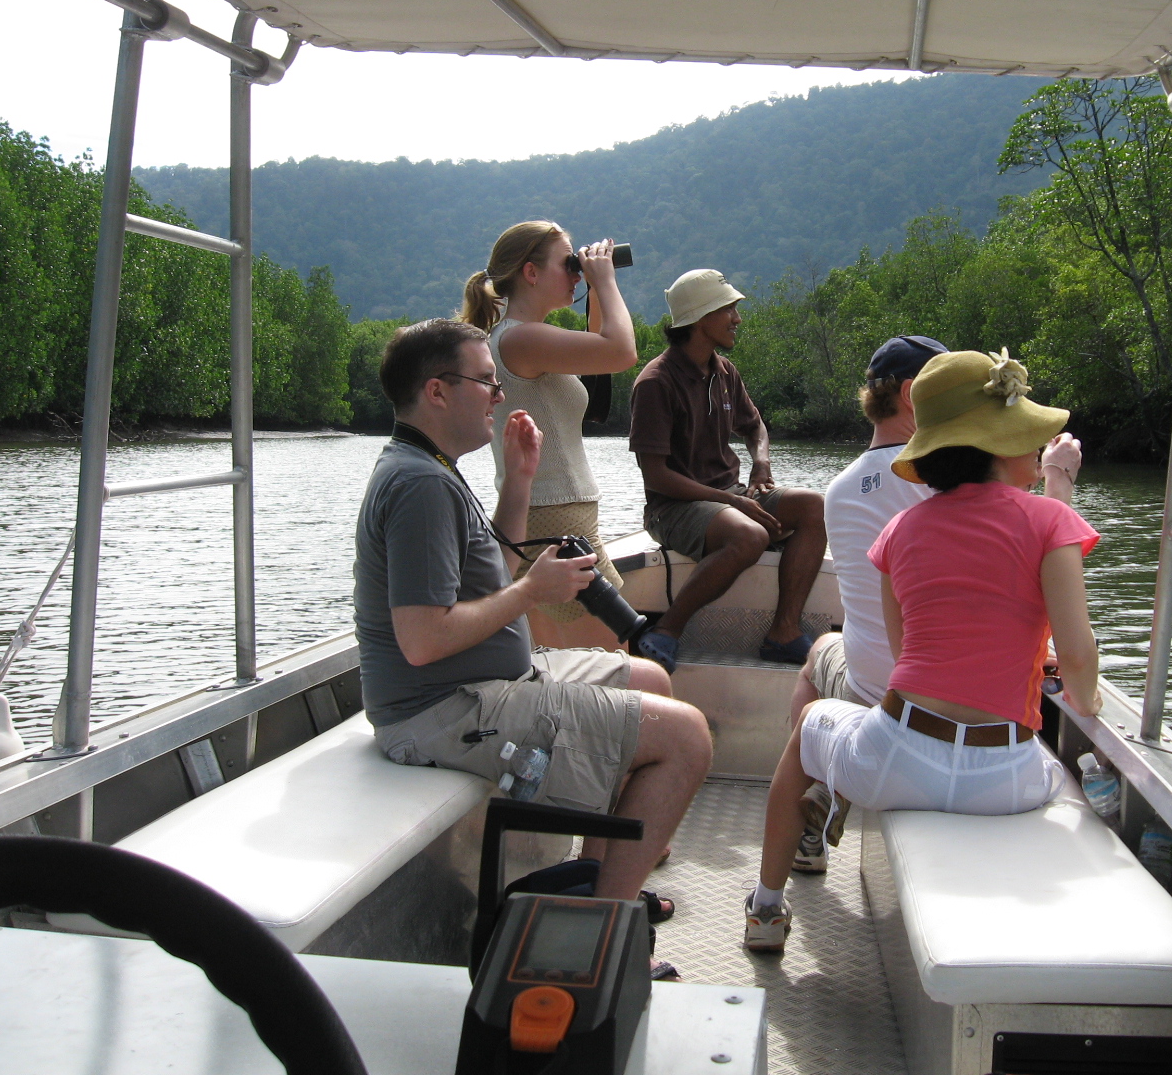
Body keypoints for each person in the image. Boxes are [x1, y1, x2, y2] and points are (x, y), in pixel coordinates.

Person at [353, 318, 711, 968]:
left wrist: (518, 482)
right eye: (486, 381)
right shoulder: (419, 486)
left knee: (652, 682)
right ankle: (596, 947)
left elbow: (479, 569)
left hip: (481, 688)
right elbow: (423, 640)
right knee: (686, 738)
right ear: (437, 392)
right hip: (444, 710)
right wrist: (530, 593)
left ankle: (596, 897)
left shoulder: (432, 468)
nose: (498, 394)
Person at [743, 349, 1102, 952]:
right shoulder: (1051, 523)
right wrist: (1086, 702)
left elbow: (904, 651)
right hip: (1007, 776)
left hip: (899, 761)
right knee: (1065, 779)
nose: (1037, 453)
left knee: (809, 724)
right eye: (1027, 439)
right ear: (998, 444)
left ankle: (767, 909)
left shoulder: (897, 533)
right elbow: (1078, 654)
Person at [627, 269, 827, 674]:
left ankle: (784, 632)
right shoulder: (656, 382)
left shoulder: (724, 372)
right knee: (748, 534)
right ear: (701, 319)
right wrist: (732, 501)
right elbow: (656, 477)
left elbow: (755, 427)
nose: (737, 318)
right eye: (729, 310)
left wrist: (761, 464)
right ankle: (668, 629)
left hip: (729, 493)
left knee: (815, 506)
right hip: (673, 507)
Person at [460, 222, 635, 650]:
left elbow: (597, 346)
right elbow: (622, 351)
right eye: (568, 262)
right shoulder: (521, 338)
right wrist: (605, 279)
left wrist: (593, 286)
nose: (577, 272)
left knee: (564, 663)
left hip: (541, 515)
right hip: (558, 517)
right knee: (615, 654)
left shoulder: (518, 338)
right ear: (531, 272)